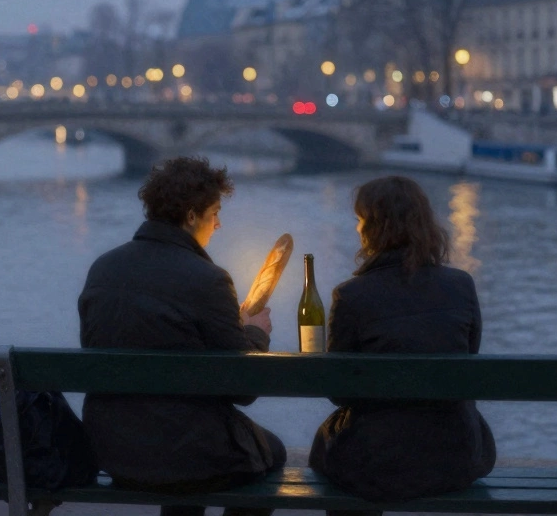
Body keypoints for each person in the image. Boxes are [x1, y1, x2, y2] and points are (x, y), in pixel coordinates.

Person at [78, 156, 286, 516]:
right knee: (270, 452)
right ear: (192, 216)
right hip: (185, 454)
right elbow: (244, 389)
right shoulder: (209, 280)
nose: (218, 224)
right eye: (215, 213)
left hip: (113, 449)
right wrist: (253, 331)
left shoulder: (103, 268)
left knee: (183, 438)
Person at [309, 175, 496, 516]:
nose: (356, 229)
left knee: (336, 448)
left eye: (360, 220)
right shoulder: (461, 286)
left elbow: (340, 390)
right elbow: (467, 363)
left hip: (381, 465)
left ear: (374, 228)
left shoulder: (351, 296)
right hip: (457, 455)